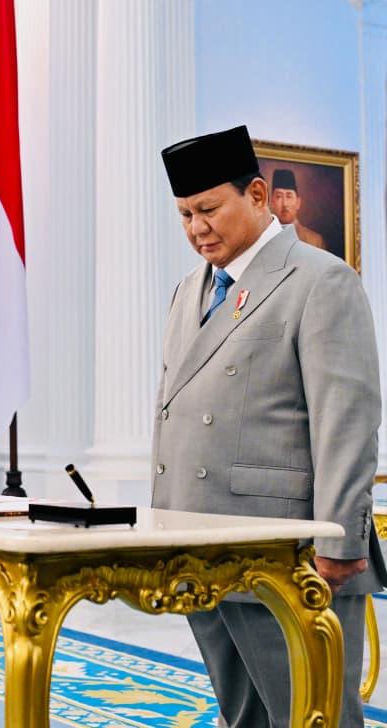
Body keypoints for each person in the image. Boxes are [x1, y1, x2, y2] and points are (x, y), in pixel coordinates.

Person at [155, 125, 385, 727]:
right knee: (245, 718)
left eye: (208, 209)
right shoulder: (188, 290)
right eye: (184, 215)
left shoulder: (320, 278)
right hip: (199, 540)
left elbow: (346, 420)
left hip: (287, 552)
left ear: (257, 195)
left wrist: (340, 540)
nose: (196, 228)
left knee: (313, 716)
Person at [269, 168, 326, 250]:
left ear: (298, 203)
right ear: (272, 202)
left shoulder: (315, 241)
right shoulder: (261, 238)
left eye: (289, 196)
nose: (284, 204)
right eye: (279, 196)